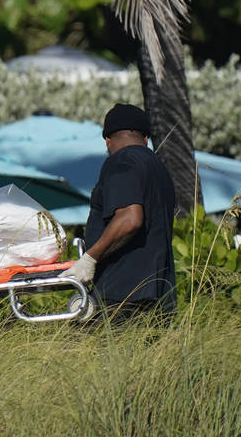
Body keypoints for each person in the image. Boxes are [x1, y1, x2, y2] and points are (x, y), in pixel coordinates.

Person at [60, 103, 177, 321]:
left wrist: (90, 258)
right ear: (145, 139)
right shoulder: (158, 168)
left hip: (122, 294)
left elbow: (130, 218)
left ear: (107, 140)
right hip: (160, 294)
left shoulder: (121, 161)